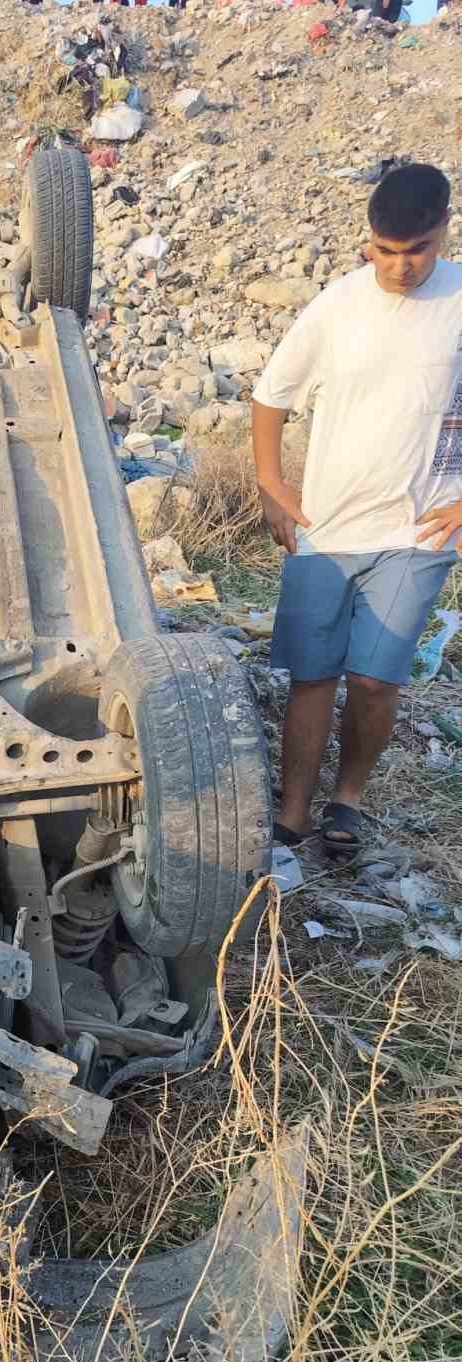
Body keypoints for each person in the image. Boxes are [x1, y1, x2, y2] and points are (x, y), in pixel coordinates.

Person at [252, 162, 462, 859]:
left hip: (416, 531)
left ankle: (348, 804)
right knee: (312, 675)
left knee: (373, 680)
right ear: (368, 240)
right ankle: (292, 813)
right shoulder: (337, 304)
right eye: (387, 250)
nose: (401, 267)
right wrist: (269, 484)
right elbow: (272, 394)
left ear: (443, 233)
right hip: (325, 527)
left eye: (418, 250)